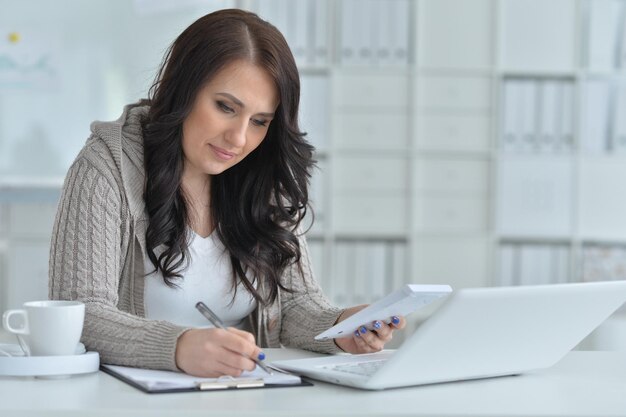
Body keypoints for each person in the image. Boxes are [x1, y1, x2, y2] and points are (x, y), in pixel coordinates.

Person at [49, 8, 405, 378]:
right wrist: (178, 347)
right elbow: (79, 314)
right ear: (182, 90)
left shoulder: (262, 175)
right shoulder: (107, 165)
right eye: (225, 107)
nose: (238, 139)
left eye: (259, 122)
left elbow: (295, 306)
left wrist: (341, 328)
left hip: (237, 395)